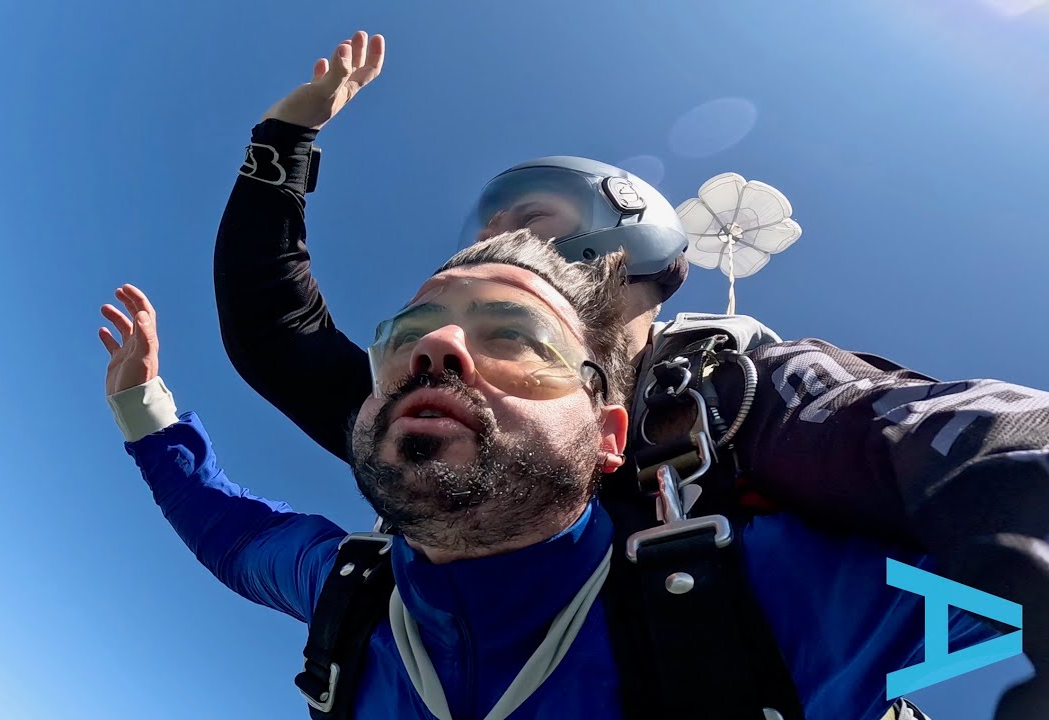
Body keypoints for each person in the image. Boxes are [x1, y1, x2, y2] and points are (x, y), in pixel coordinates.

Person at [213, 31, 1049, 716]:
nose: (496, 247)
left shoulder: (732, 390)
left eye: (530, 225)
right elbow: (278, 339)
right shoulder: (449, 402)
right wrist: (279, 150)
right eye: (487, 234)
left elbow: (952, 437)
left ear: (623, 242)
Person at [101, 231, 992, 720]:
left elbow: (997, 574)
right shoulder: (355, 598)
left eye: (514, 339)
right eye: (410, 335)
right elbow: (229, 532)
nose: (438, 349)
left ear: (611, 435)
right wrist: (146, 408)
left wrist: (871, 420)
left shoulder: (757, 601)